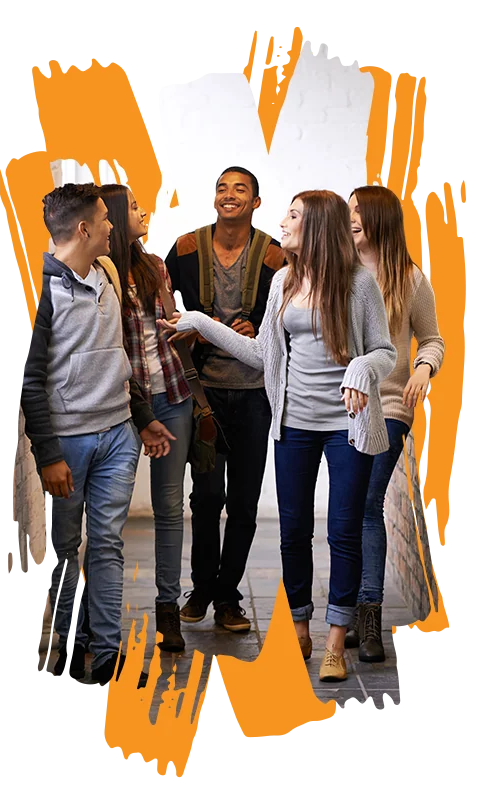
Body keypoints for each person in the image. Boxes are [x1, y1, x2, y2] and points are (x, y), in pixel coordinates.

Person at [158, 189, 398, 681]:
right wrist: (201, 322)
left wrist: (359, 369)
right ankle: (301, 624)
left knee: (344, 530)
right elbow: (262, 353)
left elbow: (385, 352)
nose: (282, 223)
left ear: (317, 227)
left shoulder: (358, 283)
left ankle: (336, 638)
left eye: (292, 215)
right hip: (294, 424)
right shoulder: (285, 280)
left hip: (346, 425)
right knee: (293, 532)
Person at [21, 183, 175, 684]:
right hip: (67, 443)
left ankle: (107, 650)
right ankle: (72, 640)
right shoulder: (38, 290)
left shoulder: (109, 271)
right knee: (65, 544)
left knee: (106, 544)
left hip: (117, 435)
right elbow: (30, 379)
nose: (113, 226)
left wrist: (142, 415)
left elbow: (120, 357)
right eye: (105, 219)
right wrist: (48, 456)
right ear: (84, 228)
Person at [163, 167, 285, 632]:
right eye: (221, 187)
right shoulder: (187, 247)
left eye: (240, 189)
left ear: (256, 201)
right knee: (207, 496)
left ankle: (228, 598)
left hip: (255, 394)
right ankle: (201, 589)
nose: (228, 195)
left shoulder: (275, 255)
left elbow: (291, 313)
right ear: (214, 197)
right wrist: (181, 332)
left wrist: (263, 328)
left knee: (245, 502)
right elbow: (160, 301)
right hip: (204, 393)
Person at [345, 185, 445, 661]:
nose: (350, 219)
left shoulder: (409, 277)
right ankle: (342, 614)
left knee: (366, 504)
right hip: (341, 407)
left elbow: (432, 339)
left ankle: (368, 619)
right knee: (348, 510)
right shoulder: (338, 275)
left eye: (358, 212)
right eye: (348, 212)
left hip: (389, 404)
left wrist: (424, 367)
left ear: (381, 218)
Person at [97, 183, 194, 653]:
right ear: (112, 216)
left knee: (170, 509)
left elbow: (172, 324)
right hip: (121, 406)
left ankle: (168, 610)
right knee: (111, 517)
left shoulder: (155, 266)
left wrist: (187, 325)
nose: (142, 212)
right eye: (133, 206)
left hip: (173, 396)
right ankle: (102, 626)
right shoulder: (98, 275)